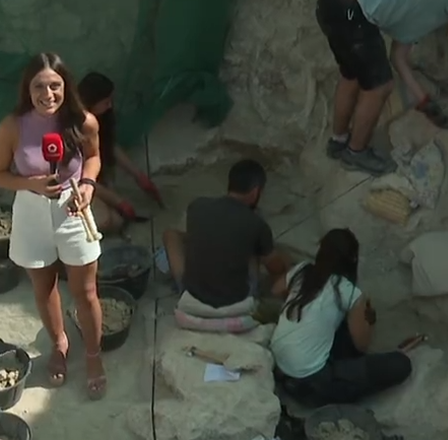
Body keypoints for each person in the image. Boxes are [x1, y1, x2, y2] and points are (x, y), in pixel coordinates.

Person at [0, 52, 107, 399]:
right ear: (27, 89)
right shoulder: (12, 125)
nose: (48, 94)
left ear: (65, 86)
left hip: (73, 209)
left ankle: (93, 355)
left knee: (85, 292)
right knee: (44, 288)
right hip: (31, 210)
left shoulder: (83, 121)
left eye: (55, 85)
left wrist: (87, 185)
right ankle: (59, 344)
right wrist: (32, 184)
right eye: (39, 86)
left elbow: (94, 157)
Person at [315, 0, 448, 176]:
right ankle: (355, 153)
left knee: (351, 76)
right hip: (353, 10)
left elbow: (398, 58)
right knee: (379, 87)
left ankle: (338, 141)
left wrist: (423, 100)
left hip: (330, 2)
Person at [270, 228, 411, 406]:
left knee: (339, 329)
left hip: (279, 366)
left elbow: (276, 289)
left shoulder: (302, 270)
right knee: (400, 364)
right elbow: (361, 345)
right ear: (352, 259)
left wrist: (301, 300)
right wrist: (369, 320)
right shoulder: (348, 291)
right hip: (312, 383)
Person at [161, 159, 290, 316]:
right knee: (261, 251)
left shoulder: (197, 206)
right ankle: (283, 301)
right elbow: (275, 267)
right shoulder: (257, 223)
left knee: (171, 235)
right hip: (236, 303)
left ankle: (183, 286)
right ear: (256, 192)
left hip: (192, 295)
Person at [77, 71, 162, 232]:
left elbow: (110, 146)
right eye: (106, 101)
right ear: (91, 102)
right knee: (111, 221)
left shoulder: (101, 118)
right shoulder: (76, 127)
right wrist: (118, 201)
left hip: (93, 181)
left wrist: (139, 176)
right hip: (75, 183)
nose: (110, 105)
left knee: (118, 216)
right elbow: (82, 177)